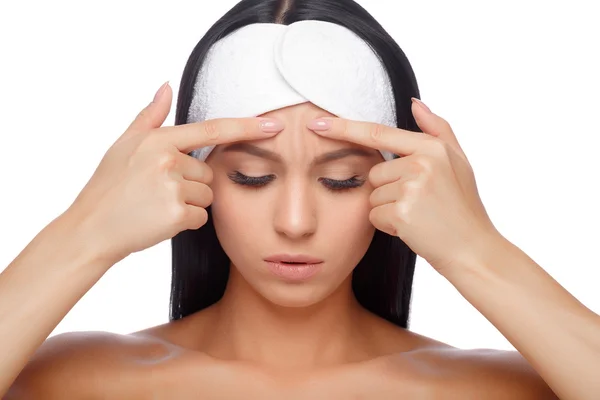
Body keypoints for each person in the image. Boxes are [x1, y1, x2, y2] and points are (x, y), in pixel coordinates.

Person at [1, 0, 598, 398]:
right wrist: (82, 235)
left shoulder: (498, 389)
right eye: (252, 178)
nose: (294, 223)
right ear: (194, 180)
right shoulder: (79, 381)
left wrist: (477, 251)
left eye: (341, 180)